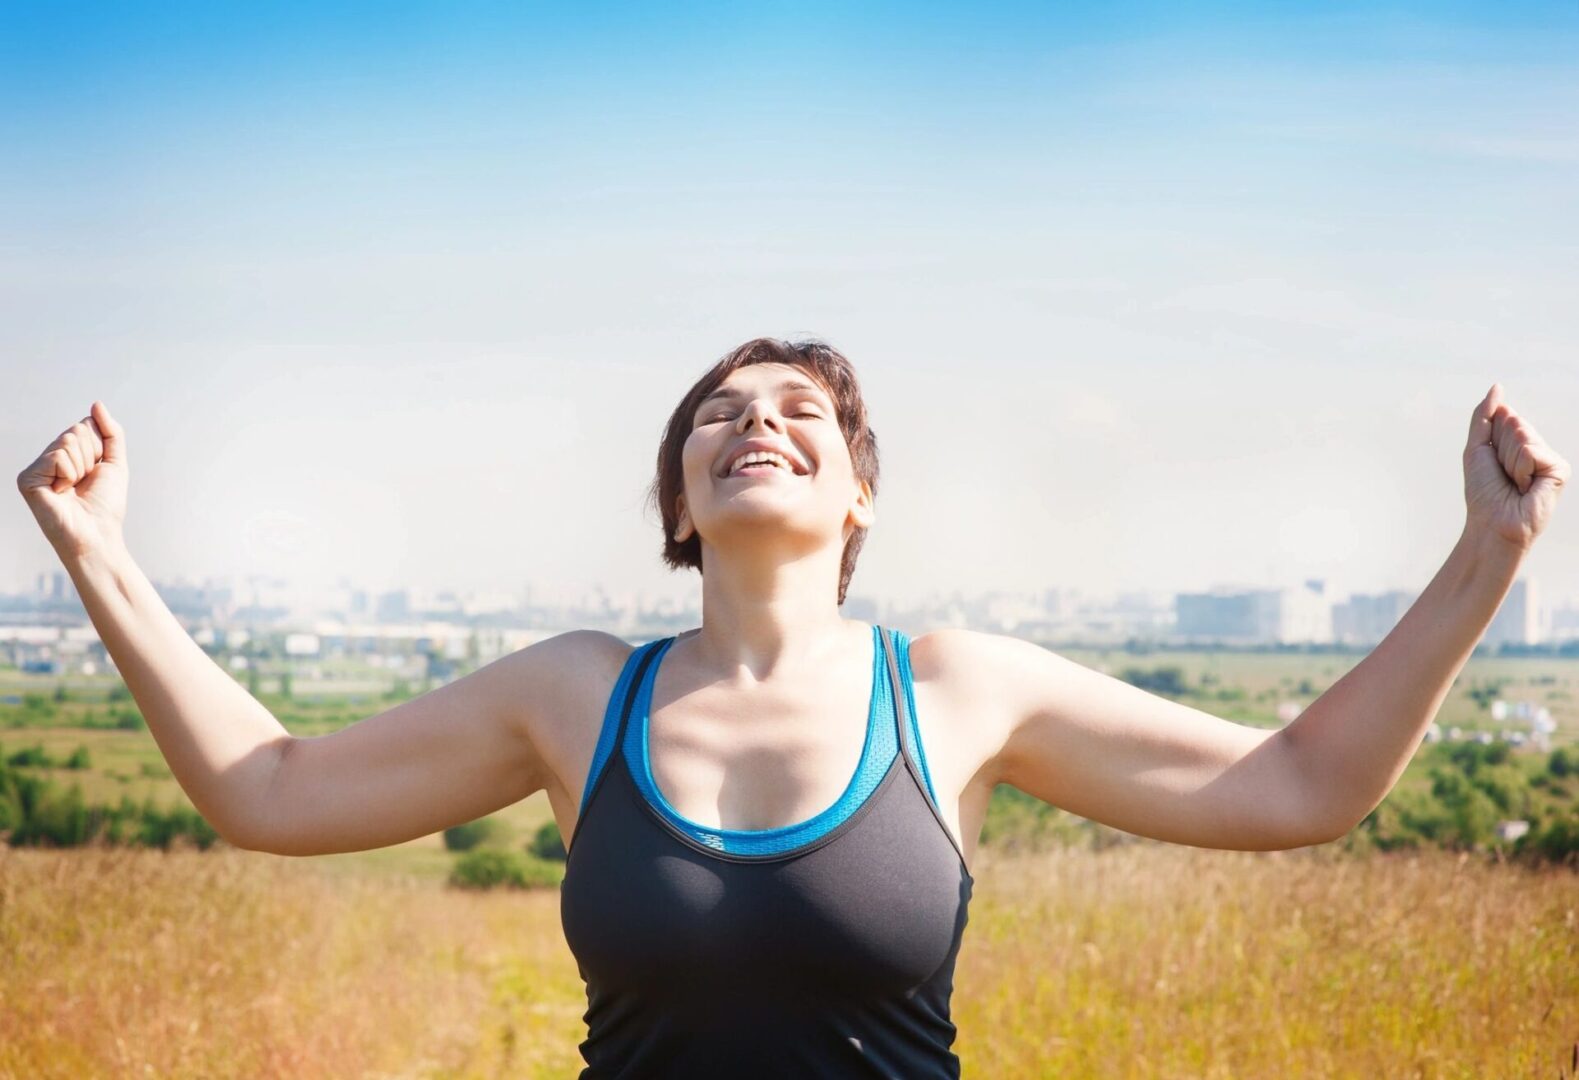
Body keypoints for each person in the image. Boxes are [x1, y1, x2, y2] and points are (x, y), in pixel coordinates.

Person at [16, 337, 1568, 1078]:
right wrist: (96, 554)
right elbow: (272, 790)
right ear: (680, 502)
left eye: (800, 413)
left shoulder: (953, 688)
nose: (755, 422)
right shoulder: (576, 694)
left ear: (859, 495)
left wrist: (1489, 553)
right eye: (718, 414)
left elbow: (1300, 782)